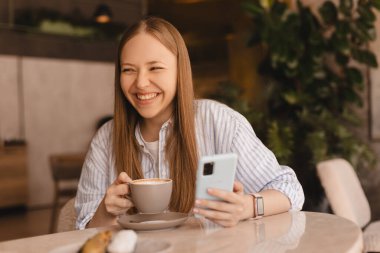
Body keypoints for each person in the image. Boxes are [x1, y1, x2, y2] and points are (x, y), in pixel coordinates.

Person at [75, 16, 304, 229]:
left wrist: (246, 207)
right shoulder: (106, 139)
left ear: (179, 71)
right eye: (128, 70)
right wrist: (106, 211)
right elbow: (82, 229)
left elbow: (289, 189)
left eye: (155, 68)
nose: (141, 83)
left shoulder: (218, 121)